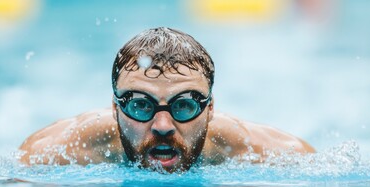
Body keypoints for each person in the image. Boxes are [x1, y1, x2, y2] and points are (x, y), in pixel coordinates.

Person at [19, 27, 315, 173]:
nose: (162, 126)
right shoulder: (53, 154)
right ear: (114, 109)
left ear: (210, 110)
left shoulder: (266, 154)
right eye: (140, 105)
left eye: (184, 105)